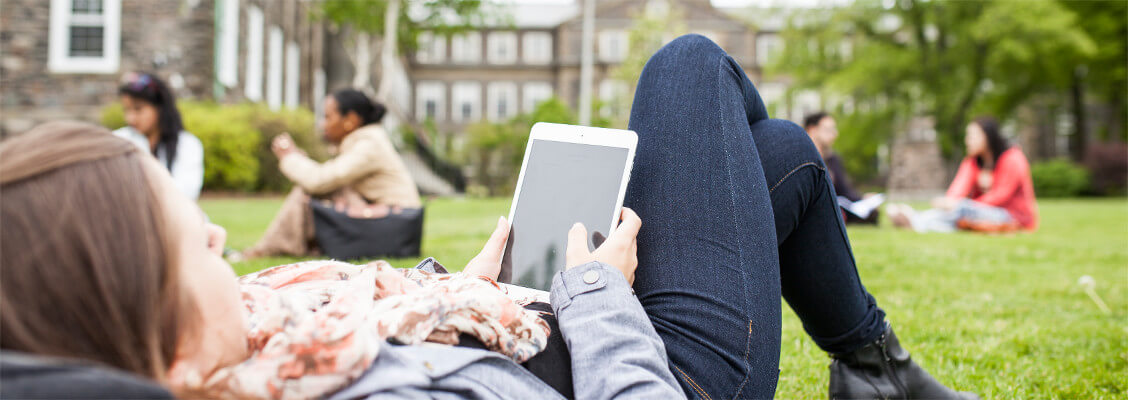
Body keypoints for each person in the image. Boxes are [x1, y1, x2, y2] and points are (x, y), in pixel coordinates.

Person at [0, 35, 977, 400]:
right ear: (169, 357)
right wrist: (596, 294)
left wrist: (462, 285)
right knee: (689, 69)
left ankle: (874, 372)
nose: (217, 233)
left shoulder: (254, 338)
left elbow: (395, 329)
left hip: (540, 320)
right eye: (190, 245)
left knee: (781, 158)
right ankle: (879, 368)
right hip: (652, 365)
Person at [240, 89, 421, 259]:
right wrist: (296, 158)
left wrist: (289, 158)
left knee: (307, 192)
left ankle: (263, 250)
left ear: (350, 119)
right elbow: (325, 176)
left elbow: (319, 181)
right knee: (324, 190)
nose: (322, 124)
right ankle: (288, 247)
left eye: (328, 117)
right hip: (393, 220)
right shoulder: (367, 140)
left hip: (396, 221)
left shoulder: (369, 145)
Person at [887, 116, 1038, 233]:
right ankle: (916, 220)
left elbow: (1001, 196)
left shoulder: (1012, 158)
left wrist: (960, 205)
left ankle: (915, 219)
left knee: (963, 209)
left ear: (987, 137)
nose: (967, 141)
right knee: (958, 213)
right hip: (981, 213)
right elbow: (959, 188)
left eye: (972, 136)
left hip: (1013, 217)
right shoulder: (973, 162)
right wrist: (948, 202)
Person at [114, 72, 204, 201]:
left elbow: (186, 194)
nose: (130, 118)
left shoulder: (187, 144)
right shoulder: (118, 140)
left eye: (138, 109)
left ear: (160, 108)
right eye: (126, 110)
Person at [804, 111, 880, 224]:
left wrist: (863, 198)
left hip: (839, 207)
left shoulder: (833, 159)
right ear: (812, 130)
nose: (834, 134)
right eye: (829, 130)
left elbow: (845, 190)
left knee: (872, 213)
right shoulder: (802, 159)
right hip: (814, 209)